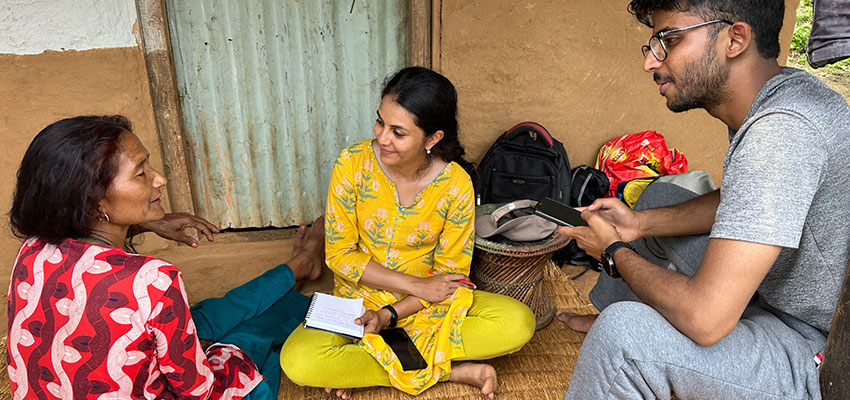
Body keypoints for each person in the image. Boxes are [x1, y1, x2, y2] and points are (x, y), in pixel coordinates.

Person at [556, 0, 850, 398]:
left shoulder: (781, 132)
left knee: (624, 340)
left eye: (671, 40)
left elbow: (705, 319)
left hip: (820, 348)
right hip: (778, 297)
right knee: (659, 196)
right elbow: (745, 199)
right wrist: (639, 225)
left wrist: (614, 252)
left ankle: (625, 352)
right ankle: (622, 319)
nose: (651, 62)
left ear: (735, 39)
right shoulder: (780, 94)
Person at [6, 115, 325, 400]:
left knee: (200, 316)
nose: (159, 179)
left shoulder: (32, 249)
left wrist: (141, 220)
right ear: (96, 202)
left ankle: (296, 269)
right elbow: (198, 390)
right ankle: (296, 286)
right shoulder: (150, 279)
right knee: (247, 336)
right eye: (141, 173)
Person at [280, 67, 535, 399]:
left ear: (432, 139)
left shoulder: (456, 185)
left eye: (398, 132)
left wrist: (393, 313)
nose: (382, 138)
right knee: (299, 361)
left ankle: (365, 368)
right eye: (380, 122)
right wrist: (414, 285)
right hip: (359, 303)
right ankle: (449, 370)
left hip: (426, 306)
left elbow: (450, 276)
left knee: (517, 322)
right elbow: (340, 256)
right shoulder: (352, 164)